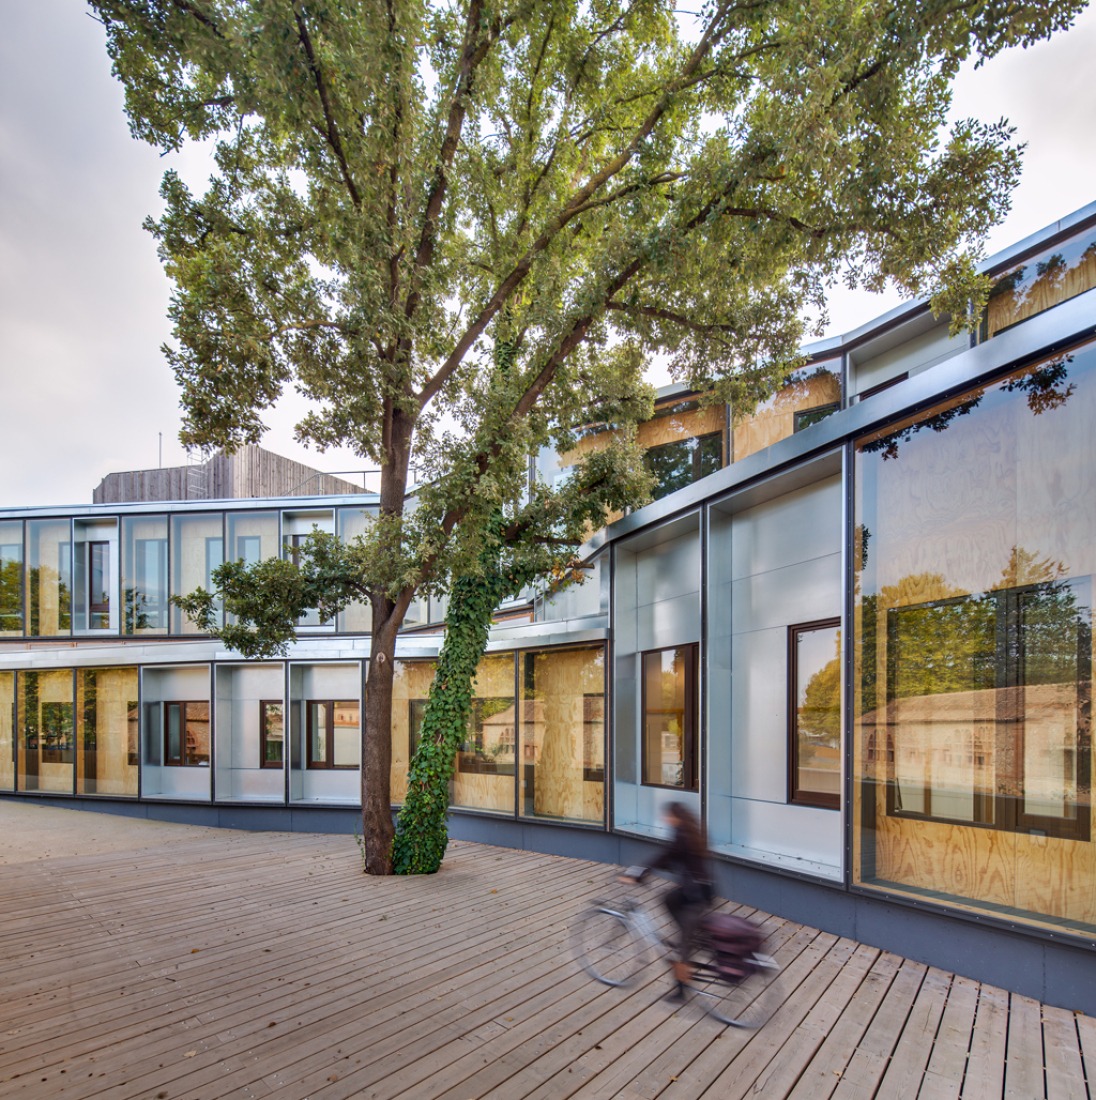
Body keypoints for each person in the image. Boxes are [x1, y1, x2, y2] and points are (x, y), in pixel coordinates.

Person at [621, 801, 713, 1001]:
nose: (665, 819)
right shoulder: (689, 833)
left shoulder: (683, 837)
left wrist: (639, 874)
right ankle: (686, 937)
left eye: (667, 816)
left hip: (696, 896)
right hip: (698, 890)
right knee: (668, 898)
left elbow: (665, 856)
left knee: (683, 948)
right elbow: (673, 860)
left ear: (676, 817)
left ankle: (681, 990)